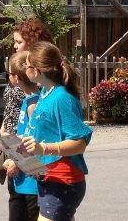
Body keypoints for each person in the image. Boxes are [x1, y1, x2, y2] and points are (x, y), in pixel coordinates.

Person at [20, 41, 92, 221]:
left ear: (36, 71)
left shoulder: (61, 98)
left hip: (62, 182)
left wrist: (43, 148)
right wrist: (23, 139)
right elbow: (45, 129)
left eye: (26, 65)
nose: (24, 68)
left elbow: (79, 143)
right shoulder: (45, 92)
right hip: (47, 177)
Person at [2, 19, 52, 218]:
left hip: (25, 157)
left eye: (19, 41)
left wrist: (18, 159)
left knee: (28, 209)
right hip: (15, 149)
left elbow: (36, 133)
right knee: (16, 202)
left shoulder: (37, 92)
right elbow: (10, 109)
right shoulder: (28, 95)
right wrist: (4, 135)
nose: (15, 45)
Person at [2, 51, 40, 221]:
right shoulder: (26, 101)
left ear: (16, 78)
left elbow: (37, 143)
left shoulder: (33, 105)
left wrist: (16, 160)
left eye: (8, 73)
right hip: (24, 179)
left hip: (32, 182)